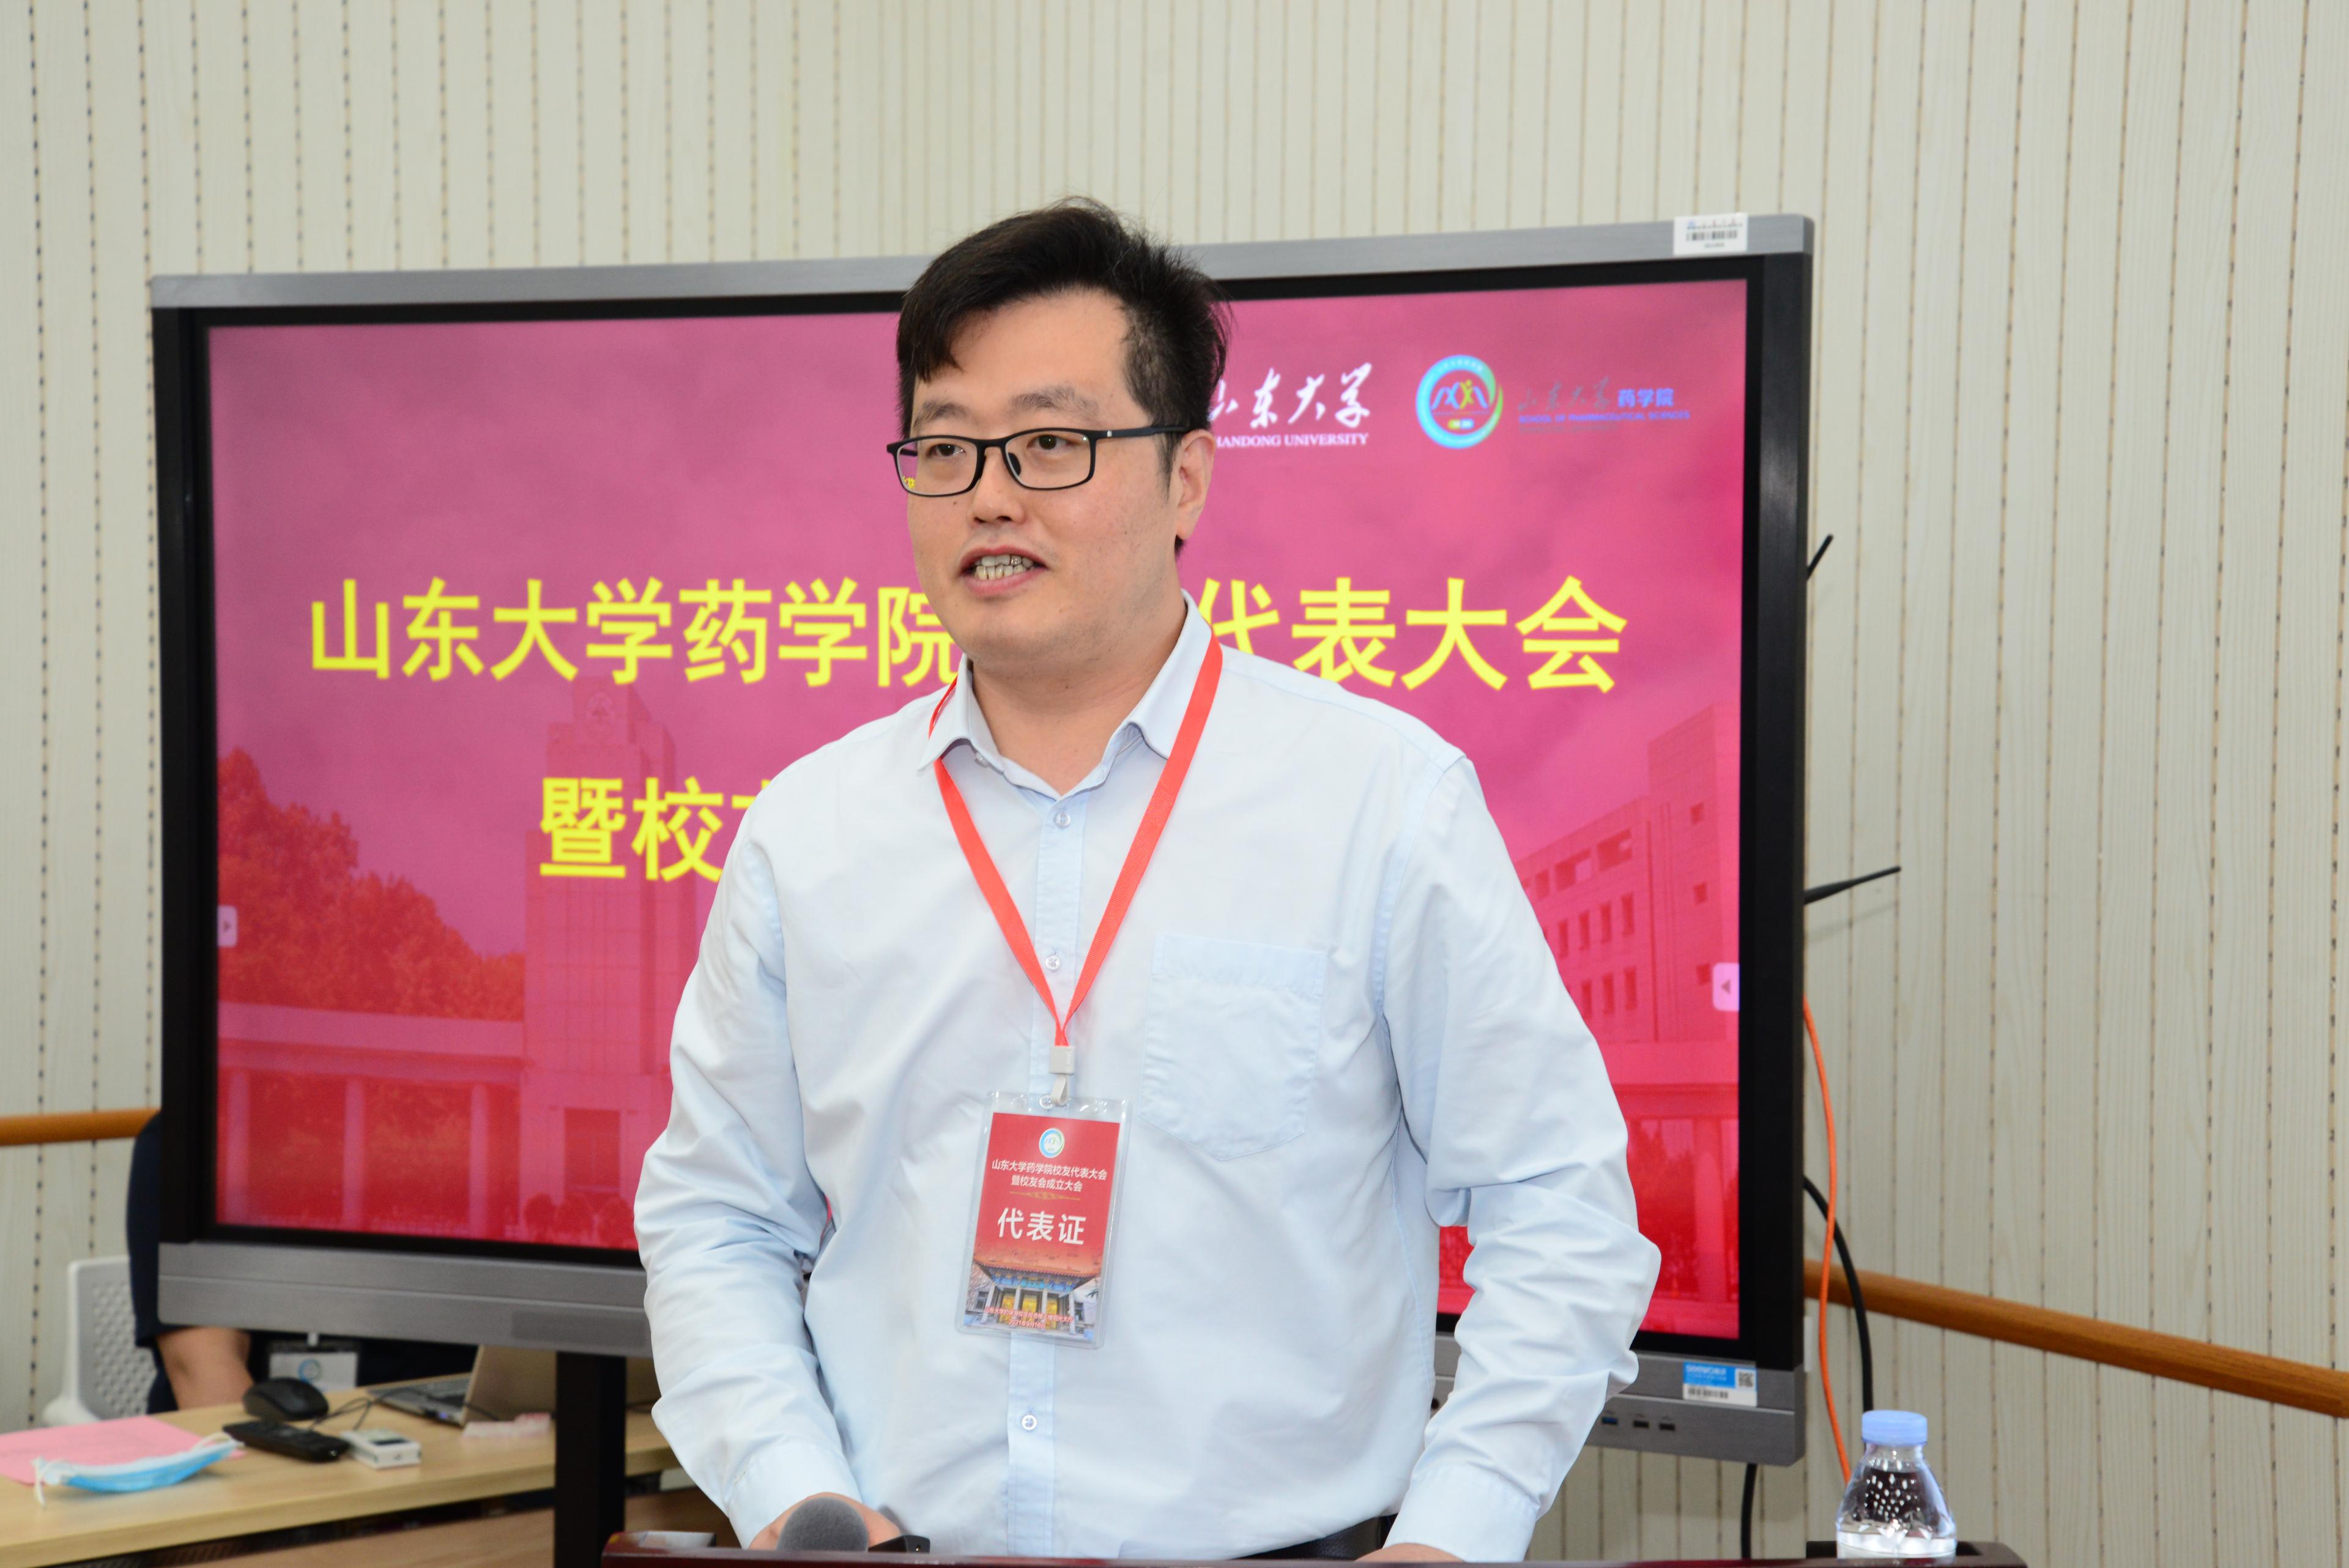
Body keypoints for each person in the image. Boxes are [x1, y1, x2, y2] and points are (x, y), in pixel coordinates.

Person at [634, 198, 1659, 1560]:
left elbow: (1558, 1203)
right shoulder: (808, 832)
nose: (990, 495)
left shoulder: (1379, 801)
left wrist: (1453, 1534)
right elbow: (715, 1217)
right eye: (943, 446)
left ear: (1187, 478)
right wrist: (793, 1495)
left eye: (1050, 443)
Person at [125, 1114, 476, 1413]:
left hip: (449, 1442)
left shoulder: (454, 1135)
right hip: (267, 1446)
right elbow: (205, 1373)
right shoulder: (192, 1133)